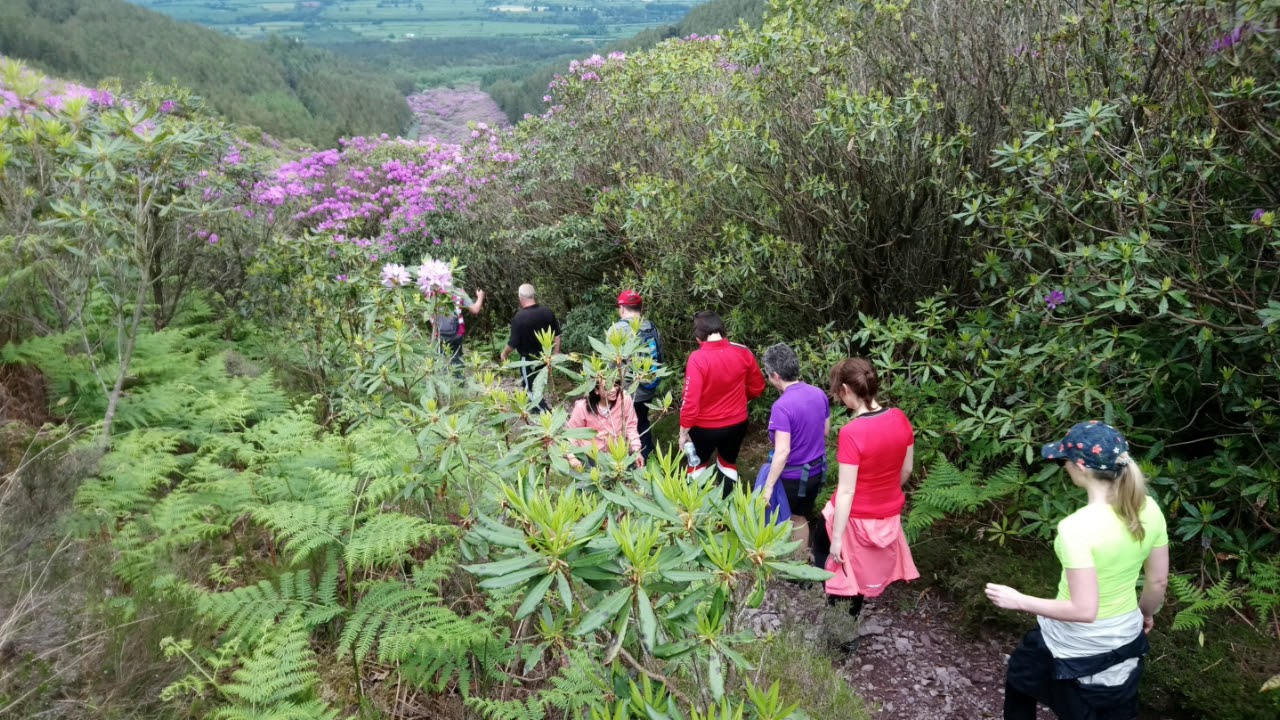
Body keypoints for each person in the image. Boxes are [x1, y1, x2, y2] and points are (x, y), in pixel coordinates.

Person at [985, 421, 1169, 720]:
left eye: (1065, 460)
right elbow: (1158, 581)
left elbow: (1084, 610)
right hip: (1126, 636)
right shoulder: (1148, 508)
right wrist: (1145, 613)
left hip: (1073, 643)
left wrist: (1017, 600)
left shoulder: (1076, 528)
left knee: (1021, 680)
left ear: (1081, 467)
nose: (1065, 466)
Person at [821, 358, 918, 625]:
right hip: (887, 516)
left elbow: (846, 491)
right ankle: (845, 622)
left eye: (838, 393)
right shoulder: (899, 418)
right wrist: (884, 493)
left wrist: (837, 538)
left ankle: (840, 631)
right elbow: (906, 469)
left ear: (845, 389)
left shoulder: (852, 432)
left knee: (834, 563)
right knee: (860, 572)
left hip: (854, 519)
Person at [754, 344, 830, 556]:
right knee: (800, 517)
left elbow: (782, 451)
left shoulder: (782, 406)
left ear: (776, 376)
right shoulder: (818, 393)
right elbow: (825, 430)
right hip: (816, 471)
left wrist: (768, 487)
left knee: (781, 519)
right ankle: (800, 565)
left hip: (793, 476)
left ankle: (778, 565)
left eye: (769, 375)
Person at [678, 311, 765, 494]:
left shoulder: (697, 358)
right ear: (723, 330)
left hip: (703, 427)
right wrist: (742, 399)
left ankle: (696, 513)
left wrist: (683, 431)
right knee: (728, 462)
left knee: (698, 464)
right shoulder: (742, 351)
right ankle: (728, 509)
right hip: (737, 423)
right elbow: (758, 387)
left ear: (698, 338)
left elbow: (690, 401)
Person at [611, 289, 662, 461]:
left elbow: (610, 363)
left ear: (622, 308)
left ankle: (633, 461)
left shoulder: (616, 330)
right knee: (642, 421)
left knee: (626, 425)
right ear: (640, 308)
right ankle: (649, 457)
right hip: (649, 387)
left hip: (628, 390)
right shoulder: (652, 327)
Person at [500, 284, 561, 410]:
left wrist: (504, 354)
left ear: (520, 297)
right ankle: (541, 411)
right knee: (539, 385)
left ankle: (544, 414)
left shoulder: (519, 318)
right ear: (533, 295)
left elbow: (513, 342)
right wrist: (556, 352)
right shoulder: (547, 312)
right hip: (545, 357)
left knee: (529, 388)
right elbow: (557, 334)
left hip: (528, 360)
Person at [564, 379, 644, 470]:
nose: (613, 390)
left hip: (617, 452)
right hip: (592, 455)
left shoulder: (624, 398)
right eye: (607, 387)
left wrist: (636, 450)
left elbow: (630, 425)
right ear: (596, 390)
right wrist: (572, 457)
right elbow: (571, 434)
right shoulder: (582, 407)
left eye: (615, 385)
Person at [432, 285, 484, 367]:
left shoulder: (430, 291)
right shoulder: (459, 291)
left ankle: (442, 377)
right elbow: (475, 309)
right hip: (457, 333)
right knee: (457, 361)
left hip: (439, 333)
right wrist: (480, 296)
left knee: (439, 362)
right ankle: (459, 378)